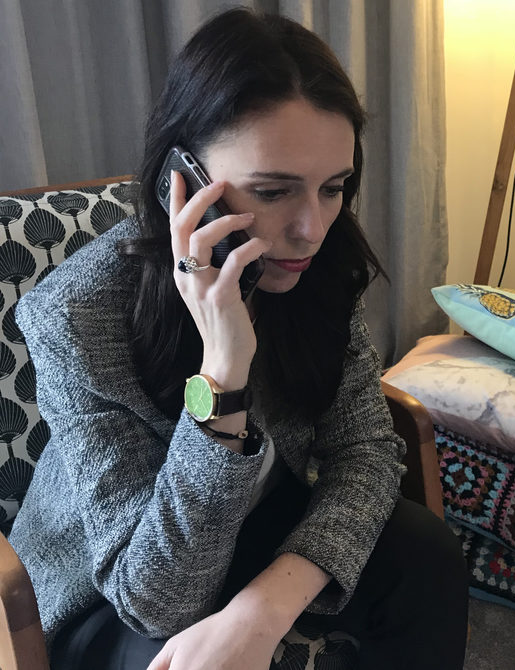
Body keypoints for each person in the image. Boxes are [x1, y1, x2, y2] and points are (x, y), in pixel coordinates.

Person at [9, 8, 469, 670]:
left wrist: (264, 608)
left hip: (253, 520)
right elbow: (155, 602)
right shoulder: (76, 315)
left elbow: (365, 451)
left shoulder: (316, 267)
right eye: (274, 191)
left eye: (333, 188)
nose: (312, 229)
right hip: (109, 589)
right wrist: (223, 374)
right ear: (181, 182)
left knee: (426, 553)